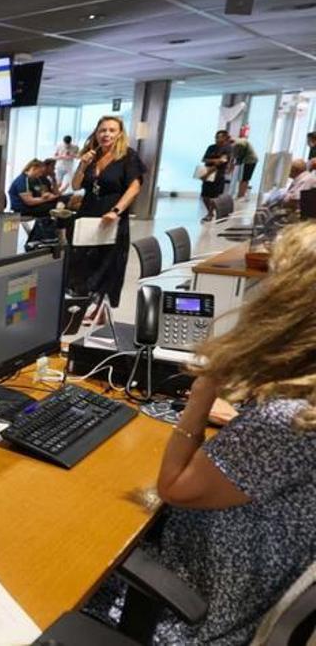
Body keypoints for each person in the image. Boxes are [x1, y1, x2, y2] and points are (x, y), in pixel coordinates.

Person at [86, 222, 316, 645]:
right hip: (235, 586)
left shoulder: (286, 422)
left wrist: (202, 393)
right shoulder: (303, 406)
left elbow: (172, 486)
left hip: (193, 613)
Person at [69, 115, 145, 318]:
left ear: (120, 133)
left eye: (112, 130)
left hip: (112, 215)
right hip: (88, 214)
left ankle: (100, 307)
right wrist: (82, 166)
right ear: (96, 133)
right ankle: (85, 303)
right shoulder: (91, 157)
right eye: (103, 130)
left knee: (107, 261)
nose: (106, 134)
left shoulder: (128, 156)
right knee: (82, 260)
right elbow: (76, 186)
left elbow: (134, 186)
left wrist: (117, 210)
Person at [199, 130, 234, 221]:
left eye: (220, 137)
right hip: (207, 174)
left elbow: (221, 163)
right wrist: (214, 160)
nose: (217, 139)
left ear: (225, 138)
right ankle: (210, 212)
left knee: (215, 196)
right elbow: (204, 159)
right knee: (205, 196)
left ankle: (210, 213)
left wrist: (207, 172)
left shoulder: (227, 149)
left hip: (218, 174)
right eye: (216, 137)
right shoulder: (211, 147)